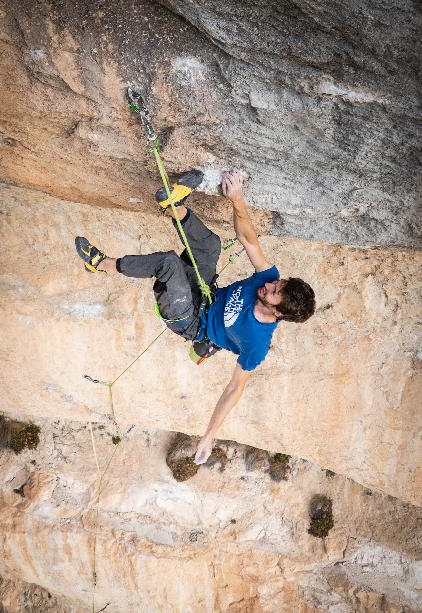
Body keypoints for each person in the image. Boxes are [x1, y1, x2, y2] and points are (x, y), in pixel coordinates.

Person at [75, 169, 315, 465]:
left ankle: (101, 264)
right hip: (205, 293)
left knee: (169, 263)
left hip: (187, 318)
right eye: (276, 284)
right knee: (210, 246)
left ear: (277, 313)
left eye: (273, 291)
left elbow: (234, 388)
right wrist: (237, 198)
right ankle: (173, 204)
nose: (268, 285)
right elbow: (248, 238)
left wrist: (209, 434)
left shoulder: (257, 343)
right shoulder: (267, 279)